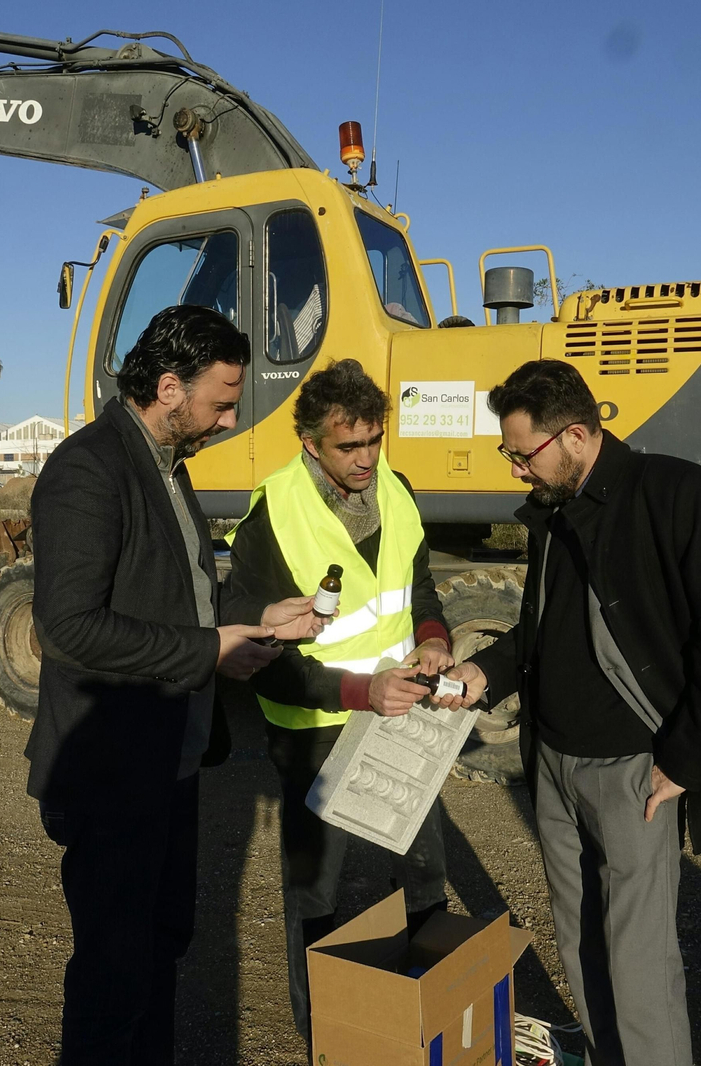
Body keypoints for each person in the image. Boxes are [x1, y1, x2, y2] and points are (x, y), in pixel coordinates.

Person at [443, 360, 701, 1066]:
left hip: (633, 771)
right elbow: (543, 629)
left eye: (523, 454)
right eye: (510, 454)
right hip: (551, 765)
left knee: (637, 961)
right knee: (577, 936)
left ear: (576, 435)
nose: (516, 470)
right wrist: (482, 670)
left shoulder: (674, 493)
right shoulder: (553, 511)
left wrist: (684, 755)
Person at [24, 304, 324, 1066]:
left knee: (161, 951)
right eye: (221, 402)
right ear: (168, 386)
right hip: (112, 768)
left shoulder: (166, 468)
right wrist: (205, 649)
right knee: (112, 977)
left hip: (171, 761)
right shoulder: (89, 469)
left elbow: (175, 598)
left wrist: (253, 622)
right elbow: (67, 628)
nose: (227, 420)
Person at [222, 358, 462, 1041]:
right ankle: (325, 1039)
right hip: (313, 729)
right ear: (310, 443)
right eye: (347, 446)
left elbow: (418, 591)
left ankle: (434, 1024)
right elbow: (259, 656)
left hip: (399, 715)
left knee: (424, 877)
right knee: (317, 896)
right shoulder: (274, 512)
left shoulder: (398, 488)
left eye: (373, 441)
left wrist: (435, 638)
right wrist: (362, 690)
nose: (364, 459)